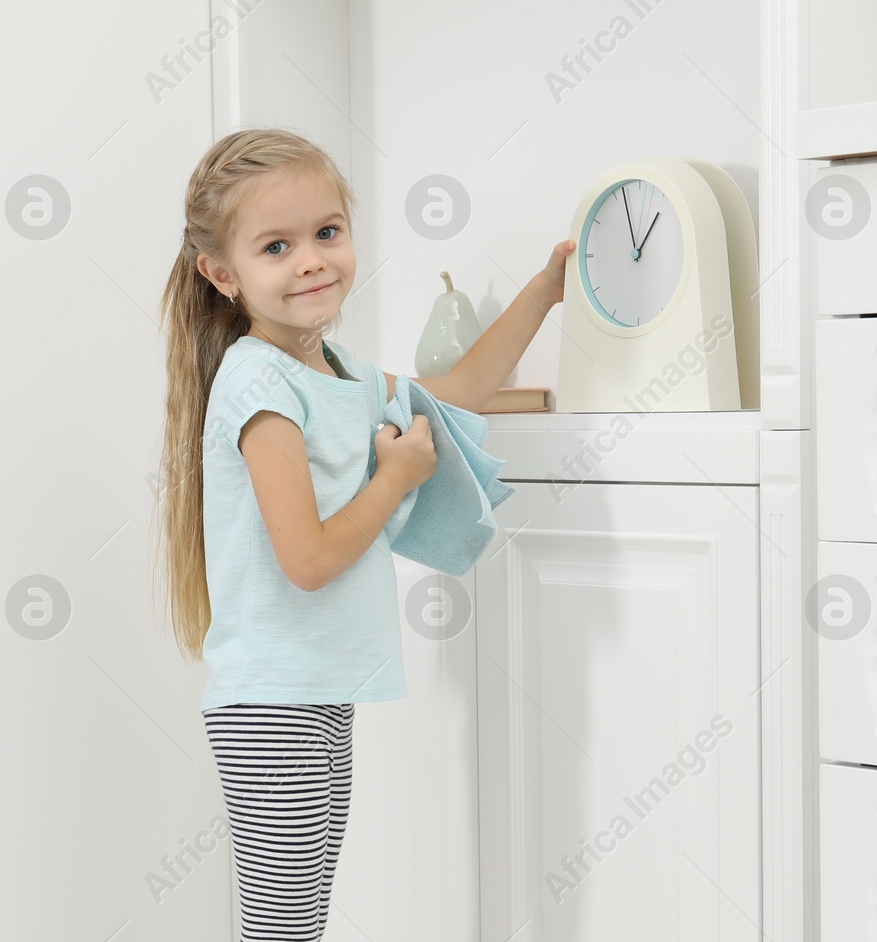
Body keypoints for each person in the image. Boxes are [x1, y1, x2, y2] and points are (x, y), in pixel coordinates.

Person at [153, 127, 572, 939]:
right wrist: (394, 481)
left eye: (326, 233)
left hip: (317, 694)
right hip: (272, 706)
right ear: (223, 273)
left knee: (297, 923)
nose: (311, 259)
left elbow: (456, 389)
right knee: (283, 929)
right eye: (277, 245)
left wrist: (546, 289)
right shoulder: (259, 384)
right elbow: (307, 559)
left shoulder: (333, 370)